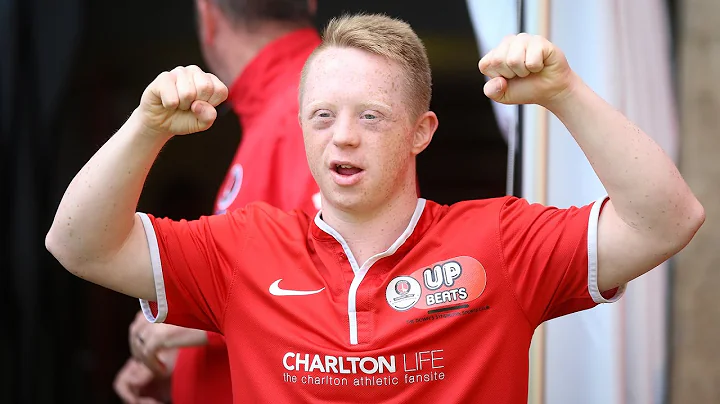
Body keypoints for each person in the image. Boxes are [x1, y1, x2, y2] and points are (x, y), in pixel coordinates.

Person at [46, 13, 704, 403]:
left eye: (372, 115)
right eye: (323, 116)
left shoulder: (499, 242)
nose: (344, 136)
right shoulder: (241, 248)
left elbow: (667, 219)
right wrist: (147, 126)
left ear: (422, 131)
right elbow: (78, 244)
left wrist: (565, 93)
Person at [111, 0, 321, 403]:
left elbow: (345, 286)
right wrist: (187, 359)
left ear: (207, 15)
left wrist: (203, 317)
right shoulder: (291, 104)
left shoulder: (312, 107)